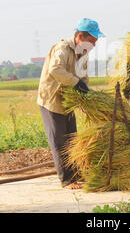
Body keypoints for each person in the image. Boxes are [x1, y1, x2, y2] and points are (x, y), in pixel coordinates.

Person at [37, 18, 104, 189]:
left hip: (67, 101)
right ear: (80, 36)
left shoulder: (83, 54)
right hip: (52, 100)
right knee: (59, 141)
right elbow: (55, 70)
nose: (94, 45)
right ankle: (66, 180)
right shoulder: (62, 49)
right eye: (92, 41)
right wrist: (76, 83)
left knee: (71, 139)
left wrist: (86, 93)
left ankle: (74, 175)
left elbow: (83, 77)